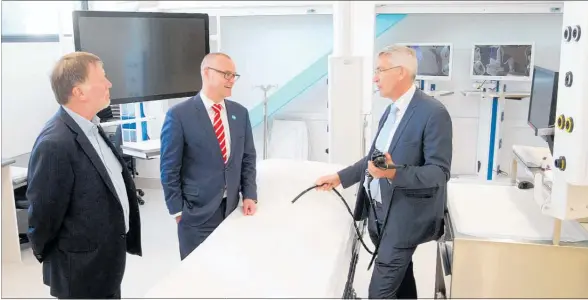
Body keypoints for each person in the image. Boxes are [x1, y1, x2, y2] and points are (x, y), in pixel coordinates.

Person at [315, 45, 452, 299]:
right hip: (377, 214)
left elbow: (438, 174)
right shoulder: (390, 111)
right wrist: (339, 177)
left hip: (402, 221)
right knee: (402, 283)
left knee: (379, 293)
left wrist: (393, 173)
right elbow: (374, 160)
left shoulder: (433, 113)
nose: (374, 77)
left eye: (380, 70)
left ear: (400, 72)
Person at [26, 52, 142, 299]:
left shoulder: (91, 127)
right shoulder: (55, 143)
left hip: (105, 264)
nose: (110, 84)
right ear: (79, 92)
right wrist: (54, 257)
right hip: (80, 273)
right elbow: (43, 215)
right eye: (103, 78)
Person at [160, 52, 258, 260]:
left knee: (228, 271)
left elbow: (248, 158)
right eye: (226, 74)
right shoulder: (179, 115)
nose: (232, 80)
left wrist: (249, 194)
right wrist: (178, 211)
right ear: (206, 73)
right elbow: (169, 168)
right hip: (196, 214)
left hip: (232, 209)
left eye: (234, 75)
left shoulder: (240, 113)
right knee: (197, 279)